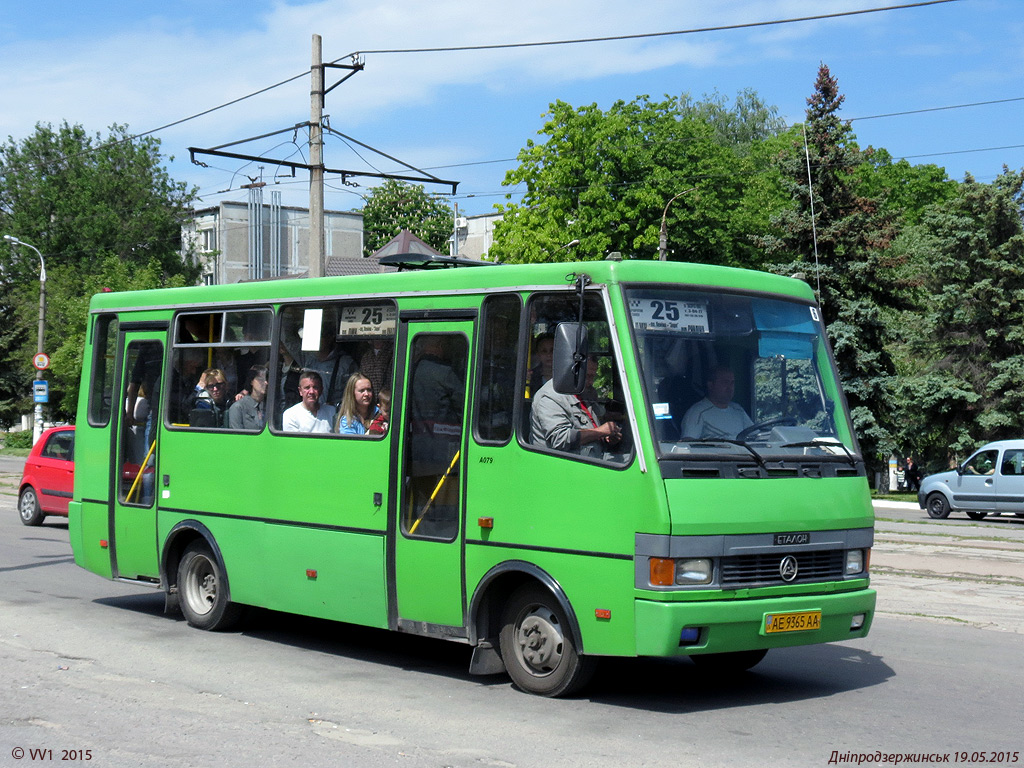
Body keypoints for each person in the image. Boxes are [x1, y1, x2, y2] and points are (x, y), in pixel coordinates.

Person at [531, 355, 622, 458]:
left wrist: (605, 436)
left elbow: (592, 424)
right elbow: (559, 439)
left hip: (592, 456)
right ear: (573, 370)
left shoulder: (584, 392)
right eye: (587, 376)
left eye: (593, 376)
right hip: (564, 465)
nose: (591, 382)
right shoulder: (551, 396)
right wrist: (600, 432)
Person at [681, 365, 753, 440]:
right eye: (725, 382)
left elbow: (755, 435)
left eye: (732, 383)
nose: (730, 388)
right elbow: (688, 443)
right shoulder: (697, 412)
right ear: (711, 385)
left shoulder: (738, 410)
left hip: (744, 451)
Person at [226, 365, 268, 431]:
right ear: (251, 381)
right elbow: (237, 435)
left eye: (267, 379)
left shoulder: (271, 406)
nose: (266, 383)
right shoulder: (238, 407)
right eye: (261, 379)